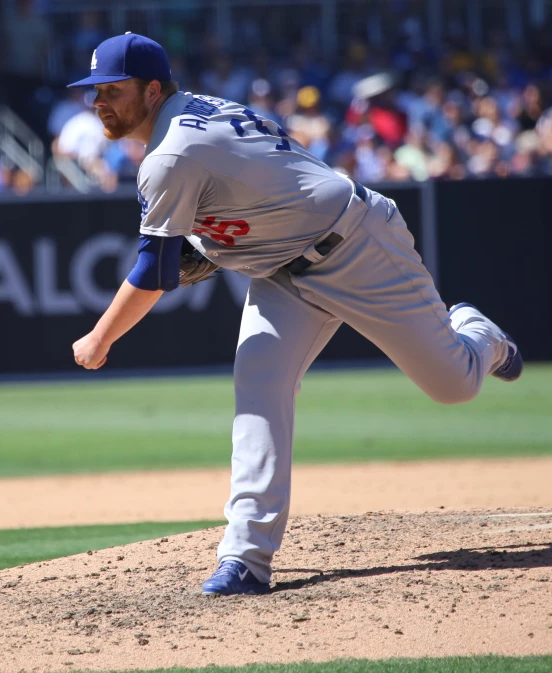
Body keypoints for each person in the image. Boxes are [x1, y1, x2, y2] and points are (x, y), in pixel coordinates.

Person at [70, 34, 523, 596]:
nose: (99, 102)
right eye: (94, 91)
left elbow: (155, 273)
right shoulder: (198, 113)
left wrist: (99, 336)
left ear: (153, 89)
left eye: (112, 89)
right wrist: (220, 246)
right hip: (283, 270)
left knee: (453, 383)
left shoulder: (169, 156)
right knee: (259, 379)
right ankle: (246, 557)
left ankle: (479, 332)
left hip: (357, 246)